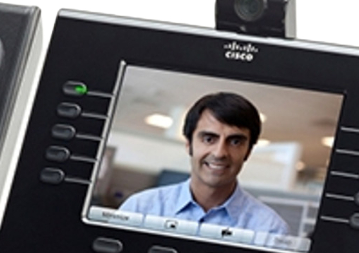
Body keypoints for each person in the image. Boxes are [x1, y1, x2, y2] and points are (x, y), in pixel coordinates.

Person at [120, 92, 289, 235]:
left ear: (248, 151)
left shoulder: (270, 230)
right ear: (189, 144)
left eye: (235, 142)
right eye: (209, 139)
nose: (219, 153)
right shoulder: (140, 209)